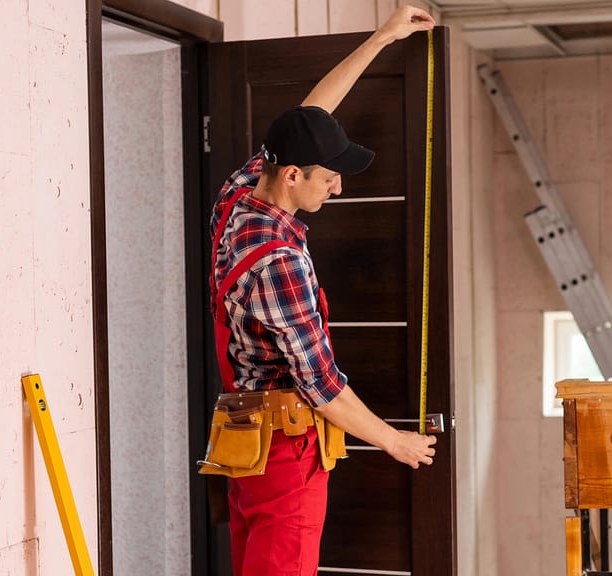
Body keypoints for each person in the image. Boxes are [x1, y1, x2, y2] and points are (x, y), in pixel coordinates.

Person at [207, 6, 438, 575]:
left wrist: (383, 38)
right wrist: (395, 441)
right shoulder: (279, 262)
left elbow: (313, 114)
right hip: (286, 455)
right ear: (292, 176)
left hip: (247, 442)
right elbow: (322, 386)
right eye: (329, 174)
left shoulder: (239, 196)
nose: (337, 185)